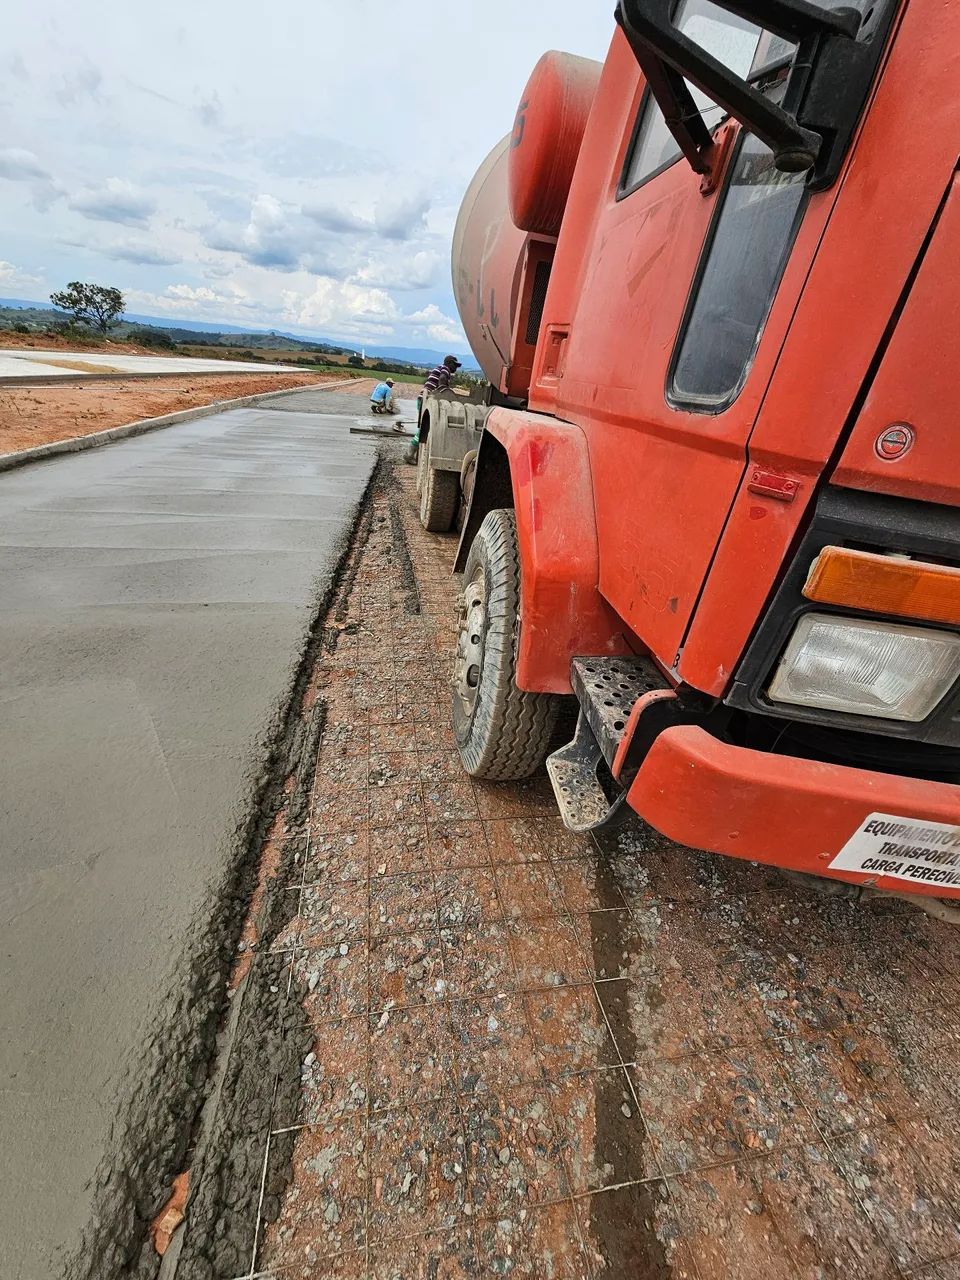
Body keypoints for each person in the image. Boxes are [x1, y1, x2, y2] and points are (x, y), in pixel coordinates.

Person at [405, 355, 463, 463]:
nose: (456, 368)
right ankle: (409, 454)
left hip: (423, 398)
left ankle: (414, 455)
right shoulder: (445, 369)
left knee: (424, 428)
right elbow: (442, 380)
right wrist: (445, 393)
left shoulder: (439, 367)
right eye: (455, 365)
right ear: (449, 363)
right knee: (424, 429)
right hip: (426, 399)